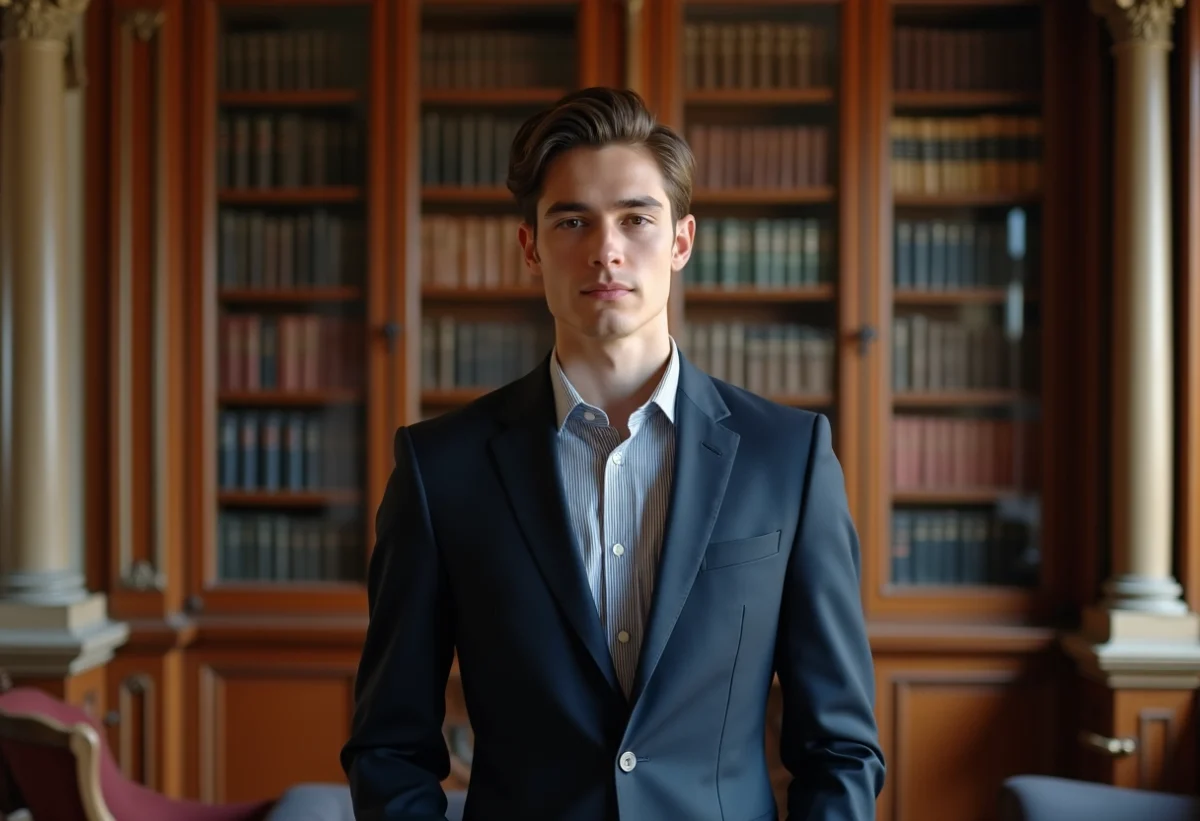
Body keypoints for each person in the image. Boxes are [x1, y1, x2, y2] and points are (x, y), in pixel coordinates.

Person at [340, 86, 884, 821]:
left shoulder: (788, 457)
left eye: (636, 218)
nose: (606, 249)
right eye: (573, 220)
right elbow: (389, 744)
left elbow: (840, 749)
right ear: (530, 246)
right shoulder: (442, 469)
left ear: (682, 241)